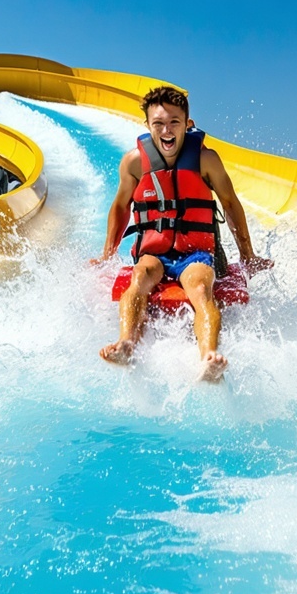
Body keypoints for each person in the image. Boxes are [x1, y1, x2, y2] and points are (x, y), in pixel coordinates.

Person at [97, 86, 271, 382]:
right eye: (159, 123)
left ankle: (209, 359)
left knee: (201, 288)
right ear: (147, 126)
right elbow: (120, 207)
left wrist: (248, 255)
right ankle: (126, 344)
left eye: (174, 122)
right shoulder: (134, 163)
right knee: (139, 279)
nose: (167, 130)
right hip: (154, 253)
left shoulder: (206, 160)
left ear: (188, 125)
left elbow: (230, 204)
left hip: (196, 253)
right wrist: (106, 256)